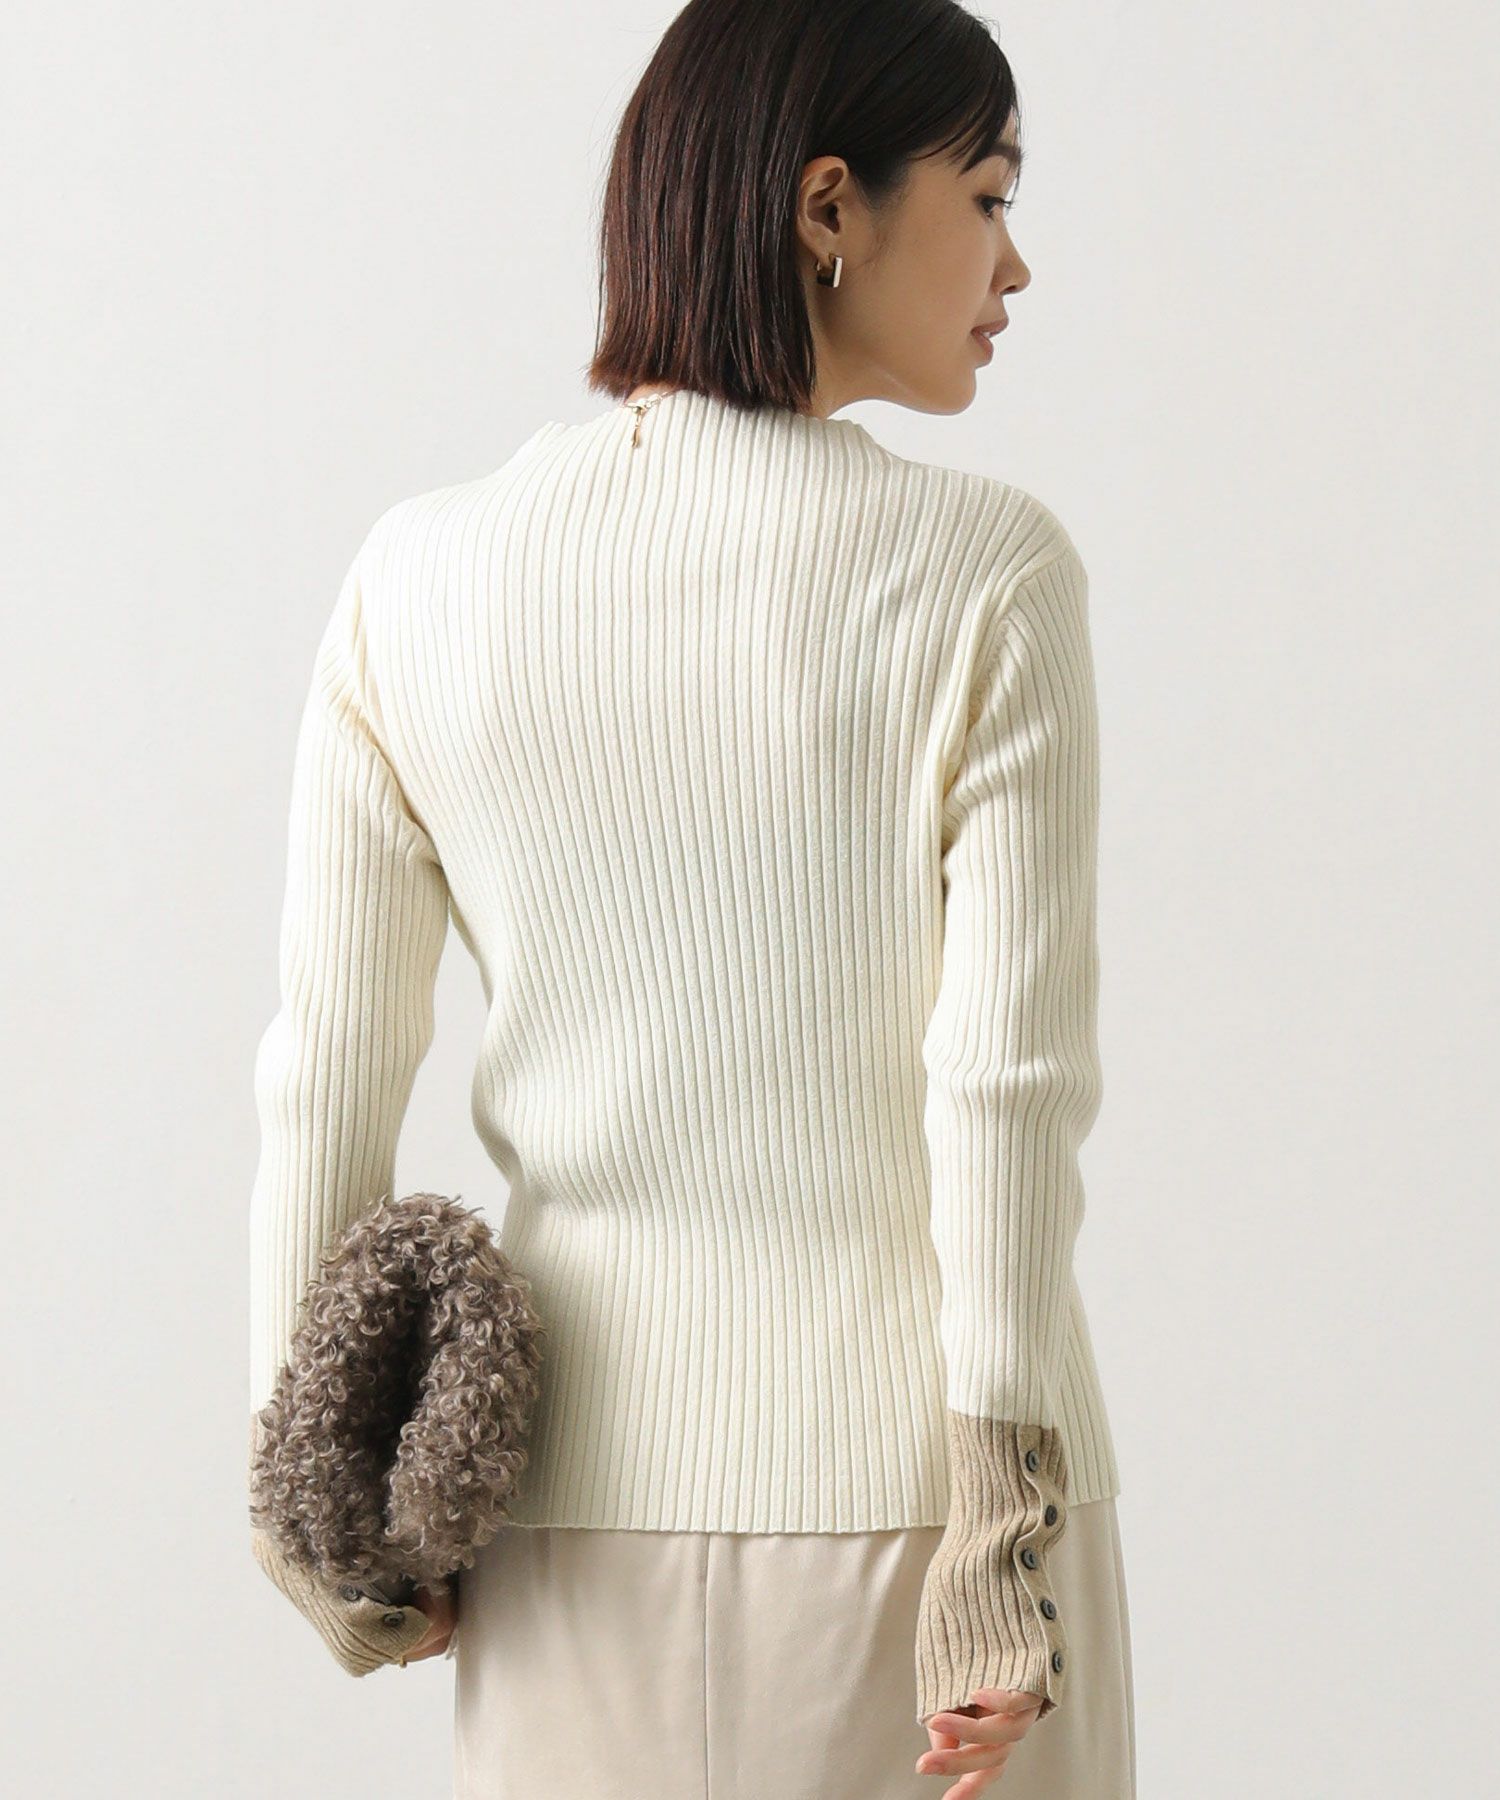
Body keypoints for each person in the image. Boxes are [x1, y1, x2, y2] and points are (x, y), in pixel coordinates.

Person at [246, 1, 1135, 1794]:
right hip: (918, 1521)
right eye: (986, 193)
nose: (1014, 262)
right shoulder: (983, 576)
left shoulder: (417, 582)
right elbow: (1005, 1095)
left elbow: (325, 1070)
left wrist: (319, 1514)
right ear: (830, 205)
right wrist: (1000, 1534)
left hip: (559, 1540)